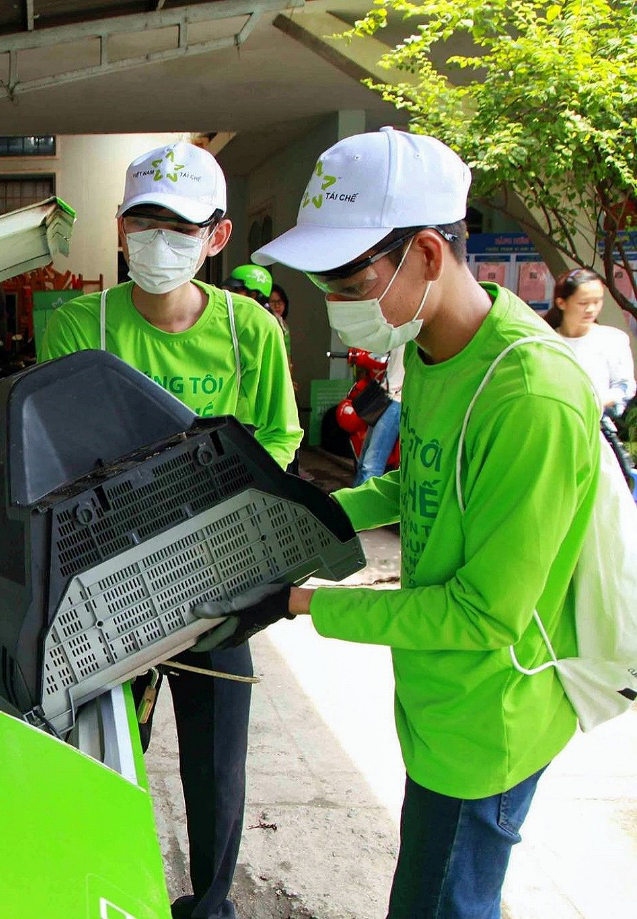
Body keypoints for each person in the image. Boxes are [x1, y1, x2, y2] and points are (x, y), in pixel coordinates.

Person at [203, 127, 601, 918]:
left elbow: (482, 614)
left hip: (488, 720)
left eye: (349, 280)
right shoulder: (434, 350)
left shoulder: (531, 397)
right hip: (436, 699)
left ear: (425, 253)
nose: (333, 303)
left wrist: (300, 601)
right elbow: (407, 484)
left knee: (443, 900)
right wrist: (284, 520)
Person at [41, 140, 301, 919]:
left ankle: (212, 900)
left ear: (217, 237)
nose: (161, 242)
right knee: (102, 739)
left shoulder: (249, 329)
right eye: (146, 222)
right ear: (120, 228)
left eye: (180, 227)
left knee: (218, 754)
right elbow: (57, 453)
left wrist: (213, 500)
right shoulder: (77, 325)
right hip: (112, 580)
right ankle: (95, 879)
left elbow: (280, 440)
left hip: (218, 577)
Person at [543, 267, 636, 416]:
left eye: (597, 301)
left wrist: (598, 401)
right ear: (561, 303)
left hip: (598, 425)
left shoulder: (613, 339)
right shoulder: (544, 342)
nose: (591, 309)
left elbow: (624, 385)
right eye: (583, 303)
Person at [351, 346, 404, 487]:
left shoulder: (410, 334)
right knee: (364, 461)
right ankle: (354, 501)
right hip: (386, 395)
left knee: (371, 465)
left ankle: (362, 505)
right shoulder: (400, 333)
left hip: (396, 400)